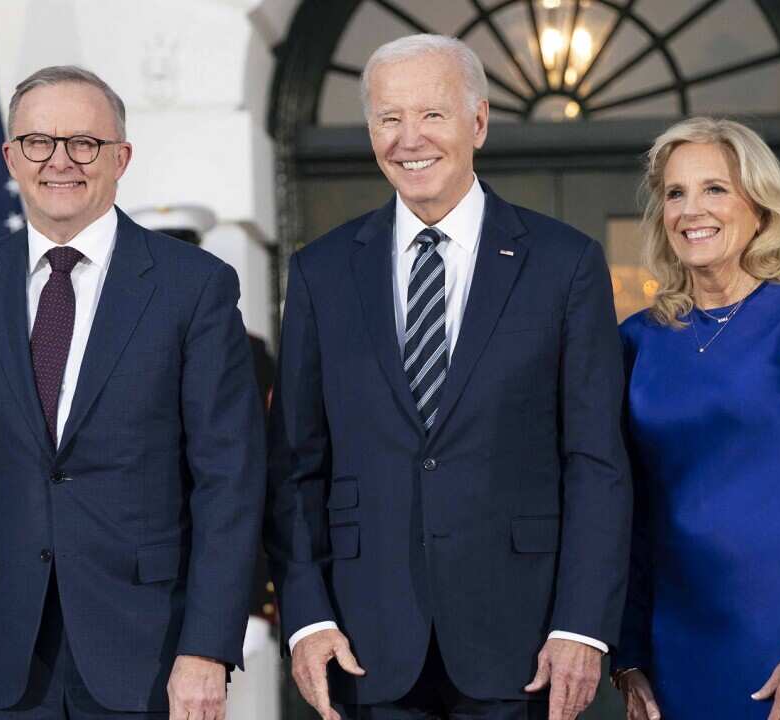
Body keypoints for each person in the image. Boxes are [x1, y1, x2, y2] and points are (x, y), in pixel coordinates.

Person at [264, 33, 631, 720]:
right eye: (388, 118)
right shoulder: (322, 272)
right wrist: (308, 618)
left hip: (523, 643)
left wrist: (580, 625)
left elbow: (595, 461)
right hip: (365, 643)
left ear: (479, 123)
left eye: (432, 114)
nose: (409, 139)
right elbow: (294, 466)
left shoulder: (563, 265)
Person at [0, 66, 265, 720]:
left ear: (121, 157)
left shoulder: (194, 287)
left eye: (84, 143)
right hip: (4, 655)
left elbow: (229, 480)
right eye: (39, 143)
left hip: (153, 652)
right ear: (11, 157)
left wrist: (208, 649)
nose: (60, 162)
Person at [614, 117, 780, 720]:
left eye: (714, 189)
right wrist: (628, 654)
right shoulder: (637, 341)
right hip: (673, 651)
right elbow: (627, 509)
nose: (690, 209)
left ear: (758, 206)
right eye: (674, 193)